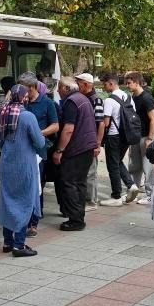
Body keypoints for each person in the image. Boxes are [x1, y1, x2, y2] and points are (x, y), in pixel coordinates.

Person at [0, 84, 47, 257]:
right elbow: (40, 142)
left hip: (6, 163)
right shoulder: (28, 117)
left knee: (8, 200)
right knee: (25, 201)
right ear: (23, 97)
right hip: (25, 165)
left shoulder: (1, 114)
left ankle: (7, 242)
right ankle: (19, 244)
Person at [18, 72, 59, 237]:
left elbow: (55, 126)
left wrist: (38, 133)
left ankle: (34, 220)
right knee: (22, 184)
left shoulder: (47, 103)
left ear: (33, 87)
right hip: (21, 150)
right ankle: (22, 217)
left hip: (38, 151)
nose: (22, 92)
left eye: (25, 89)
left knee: (36, 185)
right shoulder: (20, 103)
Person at [54, 76, 98, 231]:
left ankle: (75, 220)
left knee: (70, 182)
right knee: (79, 183)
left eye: (59, 87)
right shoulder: (83, 99)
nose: (58, 91)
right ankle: (79, 217)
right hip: (86, 147)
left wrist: (59, 150)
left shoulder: (72, 102)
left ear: (66, 89)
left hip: (76, 148)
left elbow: (68, 129)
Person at [97, 73, 139, 206]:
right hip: (126, 135)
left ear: (111, 83)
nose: (104, 87)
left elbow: (106, 122)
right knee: (118, 161)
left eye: (105, 84)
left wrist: (99, 141)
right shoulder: (128, 97)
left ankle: (116, 196)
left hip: (113, 136)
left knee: (112, 165)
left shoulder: (109, 100)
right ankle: (131, 185)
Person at [125, 71, 154, 206]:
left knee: (148, 167)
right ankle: (134, 189)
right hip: (136, 137)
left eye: (129, 82)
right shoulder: (133, 97)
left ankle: (150, 195)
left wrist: (150, 138)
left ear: (137, 82)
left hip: (146, 137)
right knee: (134, 165)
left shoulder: (146, 98)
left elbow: (153, 119)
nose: (127, 85)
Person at [75, 73, 103, 211]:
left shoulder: (95, 99)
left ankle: (91, 201)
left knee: (91, 172)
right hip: (85, 141)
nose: (77, 85)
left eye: (79, 82)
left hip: (91, 141)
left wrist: (97, 143)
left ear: (86, 84)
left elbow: (101, 123)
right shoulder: (83, 98)